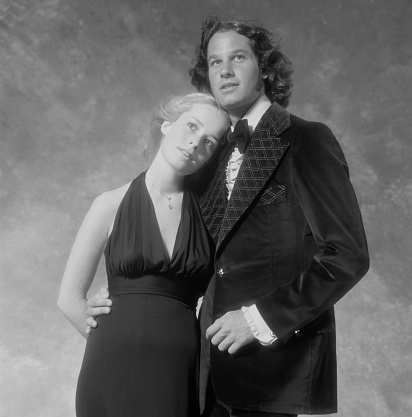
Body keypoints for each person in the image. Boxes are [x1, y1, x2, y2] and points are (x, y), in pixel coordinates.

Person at [87, 15, 370, 417]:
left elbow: (347, 256)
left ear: (265, 70)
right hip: (202, 374)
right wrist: (131, 291)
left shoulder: (307, 139)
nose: (225, 70)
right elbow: (193, 251)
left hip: (275, 371)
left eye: (238, 57)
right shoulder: (206, 155)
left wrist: (258, 320)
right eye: (215, 62)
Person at [57, 92, 230, 417]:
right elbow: (68, 299)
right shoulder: (109, 205)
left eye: (209, 142)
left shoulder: (211, 216)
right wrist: (108, 333)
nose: (195, 143)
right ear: (166, 124)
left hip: (178, 371)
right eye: (191, 126)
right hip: (109, 367)